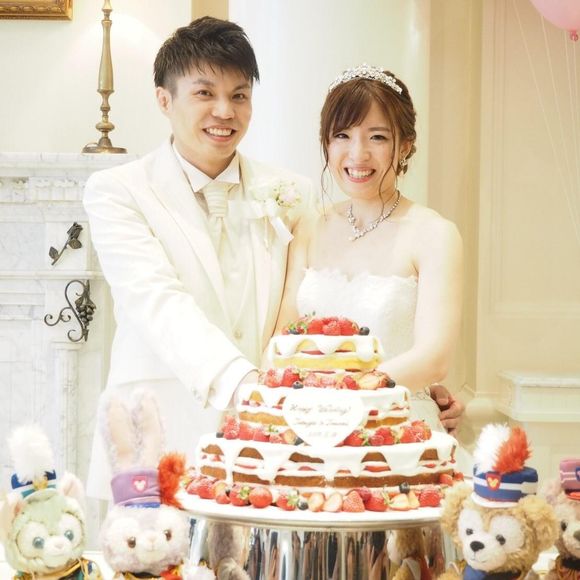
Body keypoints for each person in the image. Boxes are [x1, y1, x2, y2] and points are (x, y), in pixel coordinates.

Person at [83, 16, 313, 498]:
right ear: (164, 100)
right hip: (155, 440)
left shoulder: (293, 192)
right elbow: (156, 300)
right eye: (205, 93)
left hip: (263, 450)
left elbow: (314, 302)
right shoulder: (117, 191)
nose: (224, 111)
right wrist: (243, 384)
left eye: (239, 95)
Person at [276, 64, 464, 435]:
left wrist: (339, 395)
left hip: (398, 427)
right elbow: (284, 336)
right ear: (326, 143)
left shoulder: (434, 234)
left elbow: (434, 358)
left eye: (377, 137)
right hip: (310, 426)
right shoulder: (309, 227)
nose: (357, 153)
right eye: (342, 135)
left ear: (404, 145)